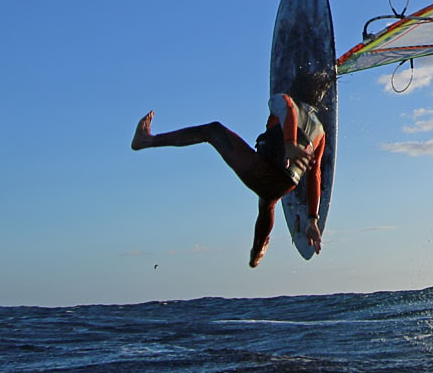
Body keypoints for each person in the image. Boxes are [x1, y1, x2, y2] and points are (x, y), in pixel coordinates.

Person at [131, 72, 331, 267]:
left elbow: (288, 108)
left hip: (262, 169)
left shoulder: (283, 99)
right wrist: (313, 219)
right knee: (267, 203)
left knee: (213, 130)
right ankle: (256, 254)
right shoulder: (320, 131)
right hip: (285, 183)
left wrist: (290, 144)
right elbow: (315, 174)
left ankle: (146, 140)